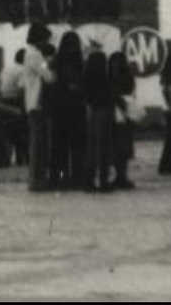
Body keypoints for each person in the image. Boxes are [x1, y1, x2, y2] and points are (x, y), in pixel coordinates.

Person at [49, 31, 88, 190]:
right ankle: (77, 177)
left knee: (60, 145)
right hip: (76, 107)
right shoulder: (81, 61)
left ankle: (59, 177)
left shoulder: (56, 61)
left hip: (59, 107)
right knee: (77, 145)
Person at [19, 24, 55, 191]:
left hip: (34, 102)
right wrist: (50, 64)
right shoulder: (35, 55)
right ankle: (36, 179)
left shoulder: (30, 54)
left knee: (38, 143)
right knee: (38, 144)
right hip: (37, 102)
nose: (46, 43)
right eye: (45, 39)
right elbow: (48, 77)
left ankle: (37, 178)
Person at [82, 44, 114, 193]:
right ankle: (103, 180)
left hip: (90, 112)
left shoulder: (86, 79)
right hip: (104, 111)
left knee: (91, 147)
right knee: (104, 147)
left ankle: (88, 180)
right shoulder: (105, 80)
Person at [0, 47, 29, 169]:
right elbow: (22, 88)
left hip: (4, 100)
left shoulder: (7, 68)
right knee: (21, 130)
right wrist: (24, 104)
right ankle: (21, 159)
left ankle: (5, 158)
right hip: (16, 100)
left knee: (7, 130)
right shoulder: (23, 70)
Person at [108, 49, 136, 190]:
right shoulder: (128, 77)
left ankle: (118, 176)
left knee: (116, 146)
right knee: (123, 147)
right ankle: (121, 176)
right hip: (125, 114)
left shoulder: (108, 77)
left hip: (114, 114)